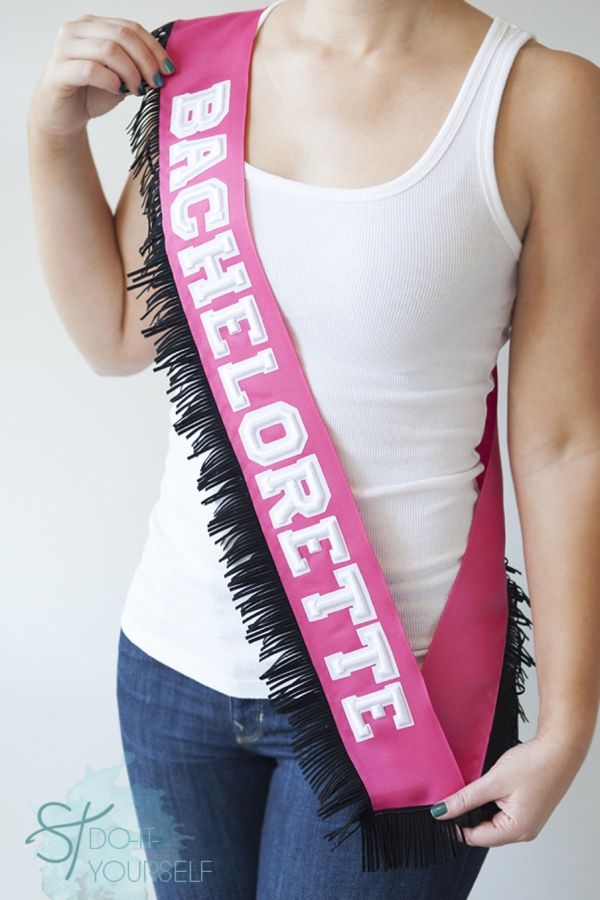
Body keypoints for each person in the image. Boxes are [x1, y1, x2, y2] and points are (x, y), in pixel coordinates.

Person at [27, 1, 600, 898]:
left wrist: (568, 727)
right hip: (173, 669)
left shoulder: (543, 100)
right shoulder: (196, 66)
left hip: (398, 691)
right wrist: (52, 138)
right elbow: (115, 335)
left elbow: (565, 443)